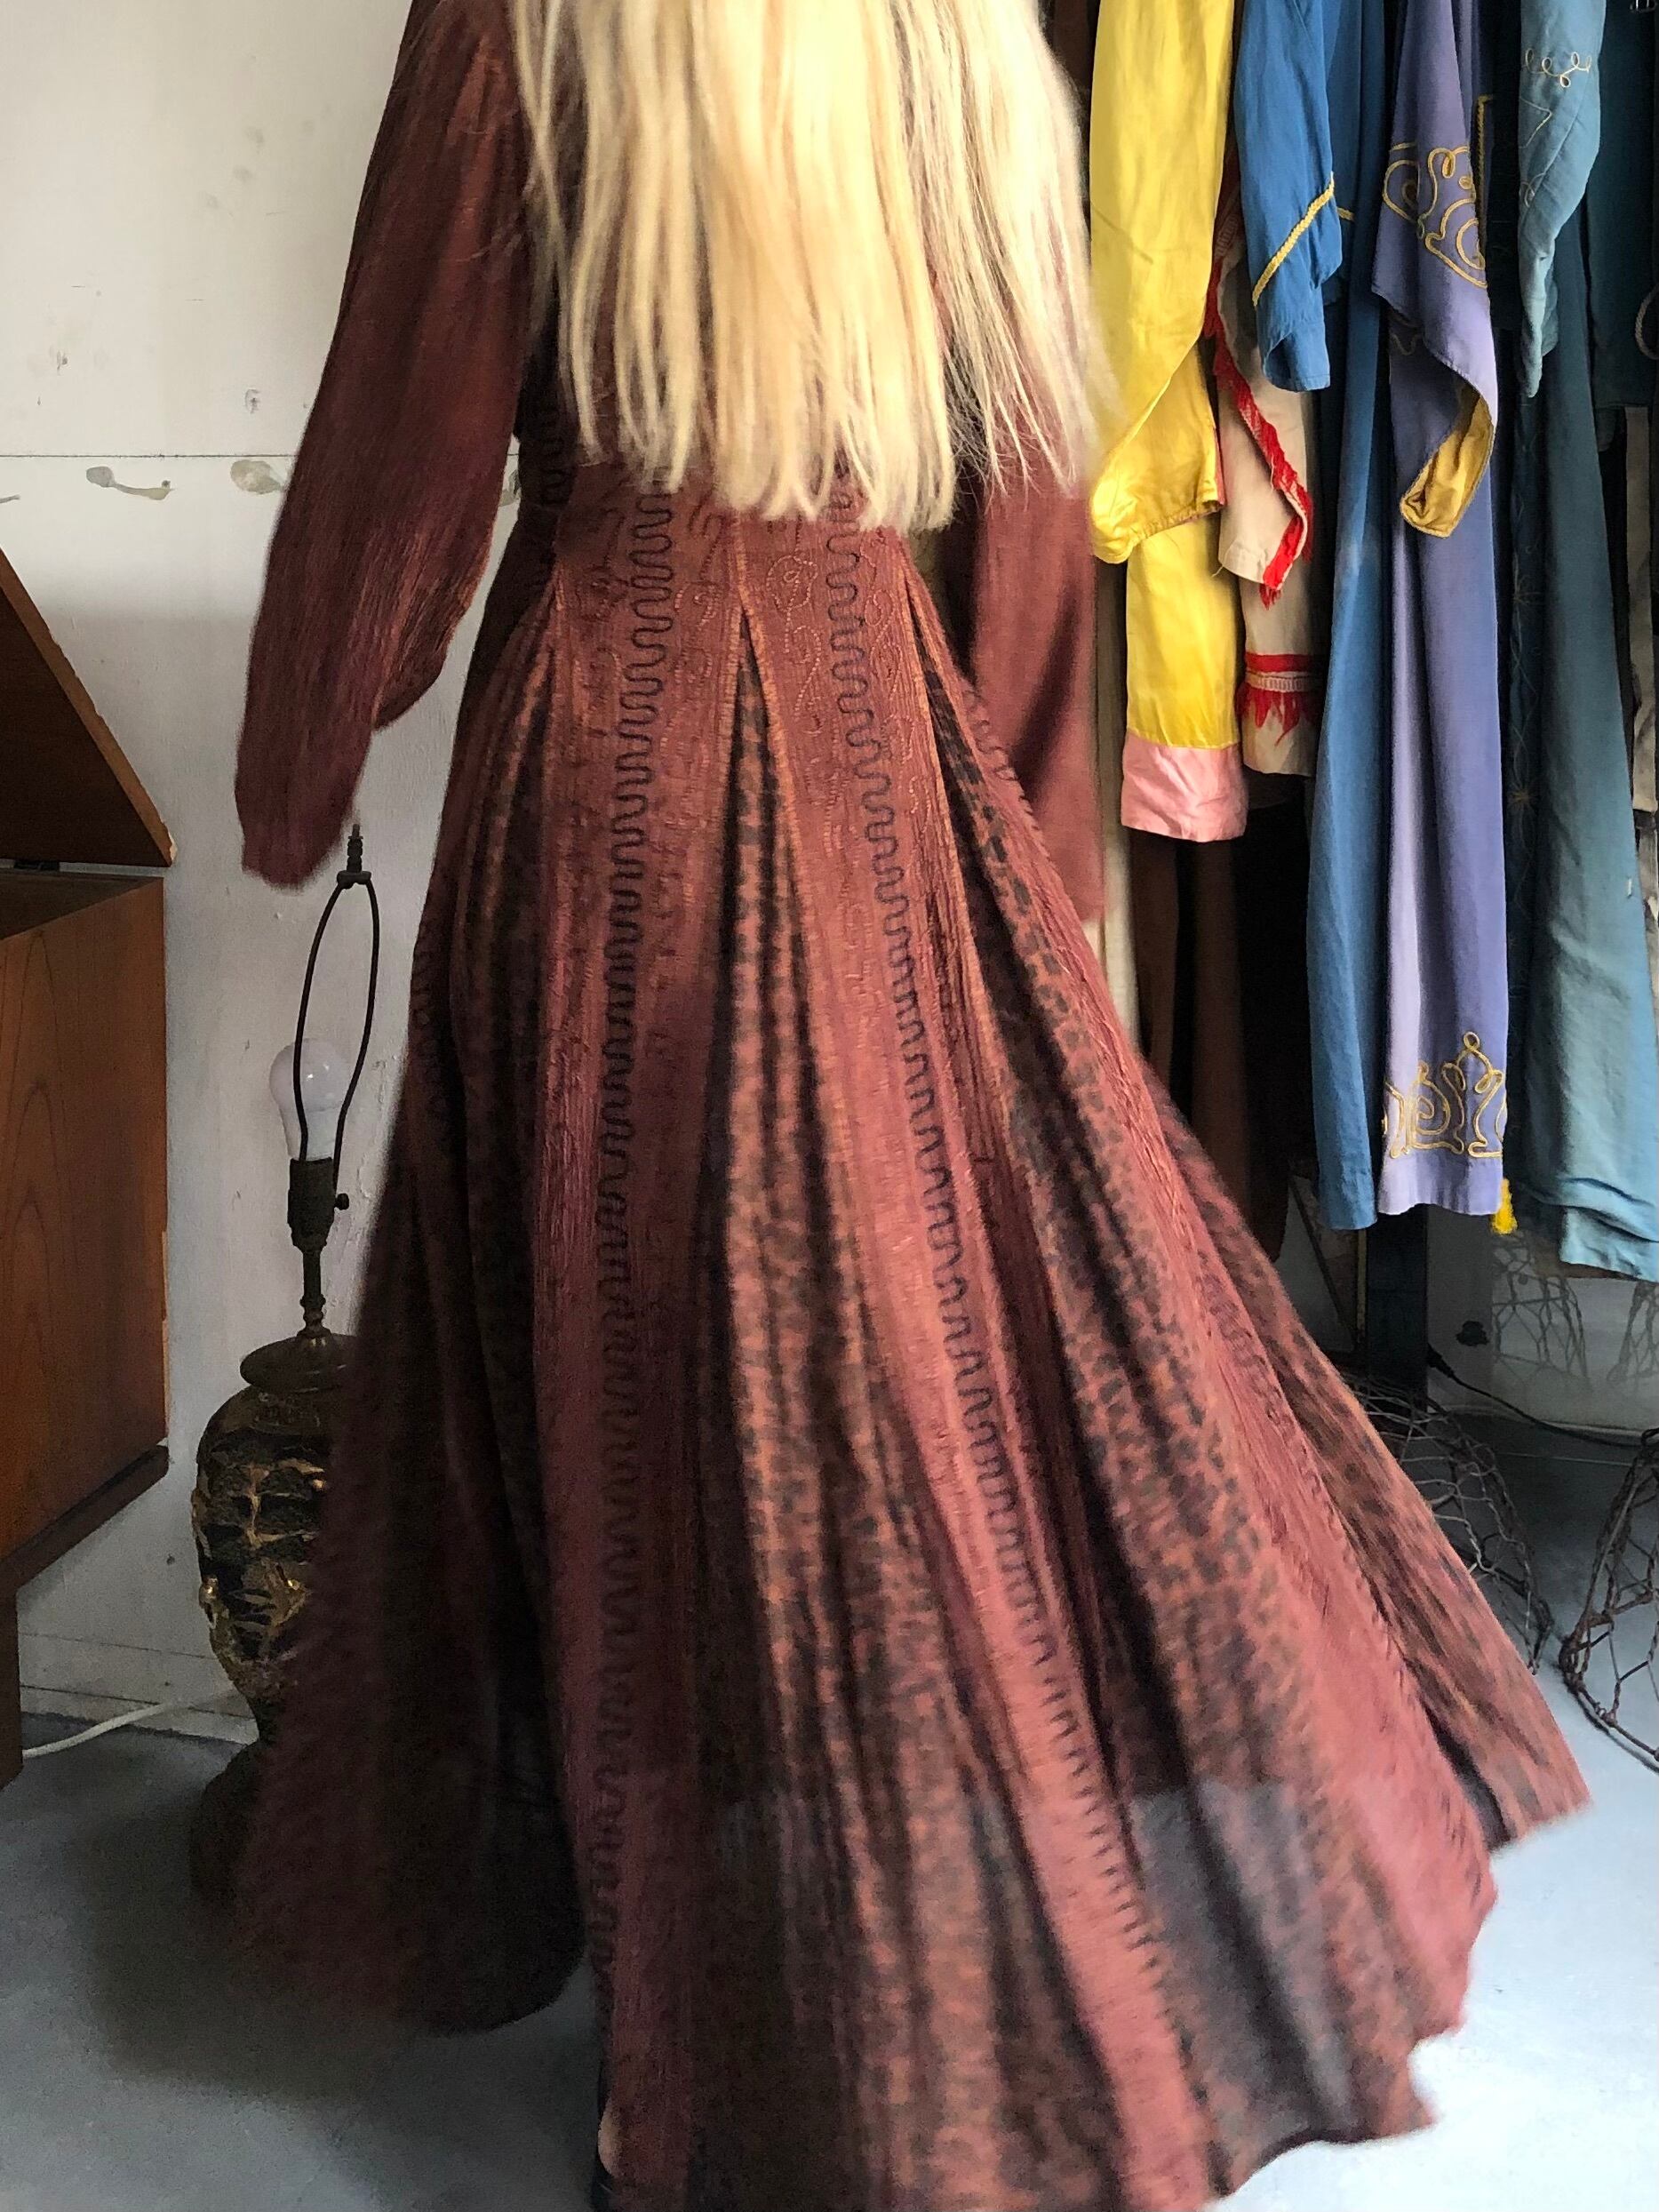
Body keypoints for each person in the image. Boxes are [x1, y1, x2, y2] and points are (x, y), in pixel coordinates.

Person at [233, 4, 1586, 2208]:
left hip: (611, 757)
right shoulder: (950, 20)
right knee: (868, 1391)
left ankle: (695, 2069)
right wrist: (1032, 868)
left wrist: (295, 763)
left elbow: (406, 439)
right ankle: (880, 1993)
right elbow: (1031, 482)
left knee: (637, 1423)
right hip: (884, 746)